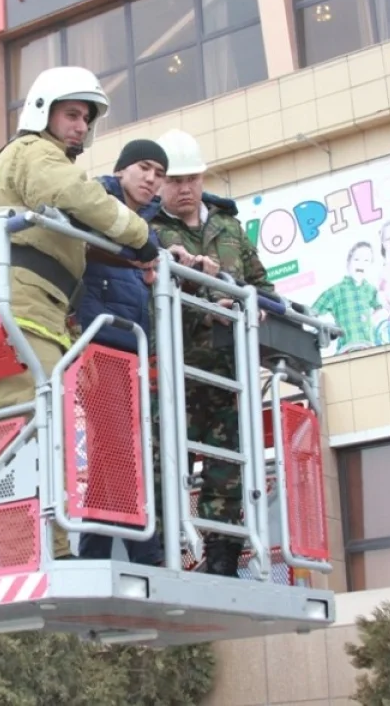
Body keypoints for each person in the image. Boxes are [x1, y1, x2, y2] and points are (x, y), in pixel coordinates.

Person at [0, 66, 159, 560]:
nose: (80, 126)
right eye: (71, 114)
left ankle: (43, 548)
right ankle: (37, 554)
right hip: (23, 306)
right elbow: (74, 193)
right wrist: (140, 236)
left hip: (31, 304)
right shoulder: (36, 154)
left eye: (86, 118)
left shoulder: (23, 164)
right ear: (42, 112)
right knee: (32, 433)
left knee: (34, 430)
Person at [150, 129, 275, 577]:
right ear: (160, 182)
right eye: (175, 180)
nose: (185, 188)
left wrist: (251, 306)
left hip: (228, 373)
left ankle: (223, 558)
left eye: (193, 179)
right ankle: (163, 556)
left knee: (229, 469)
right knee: (165, 465)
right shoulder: (148, 232)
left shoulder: (229, 227)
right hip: (174, 374)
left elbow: (263, 287)